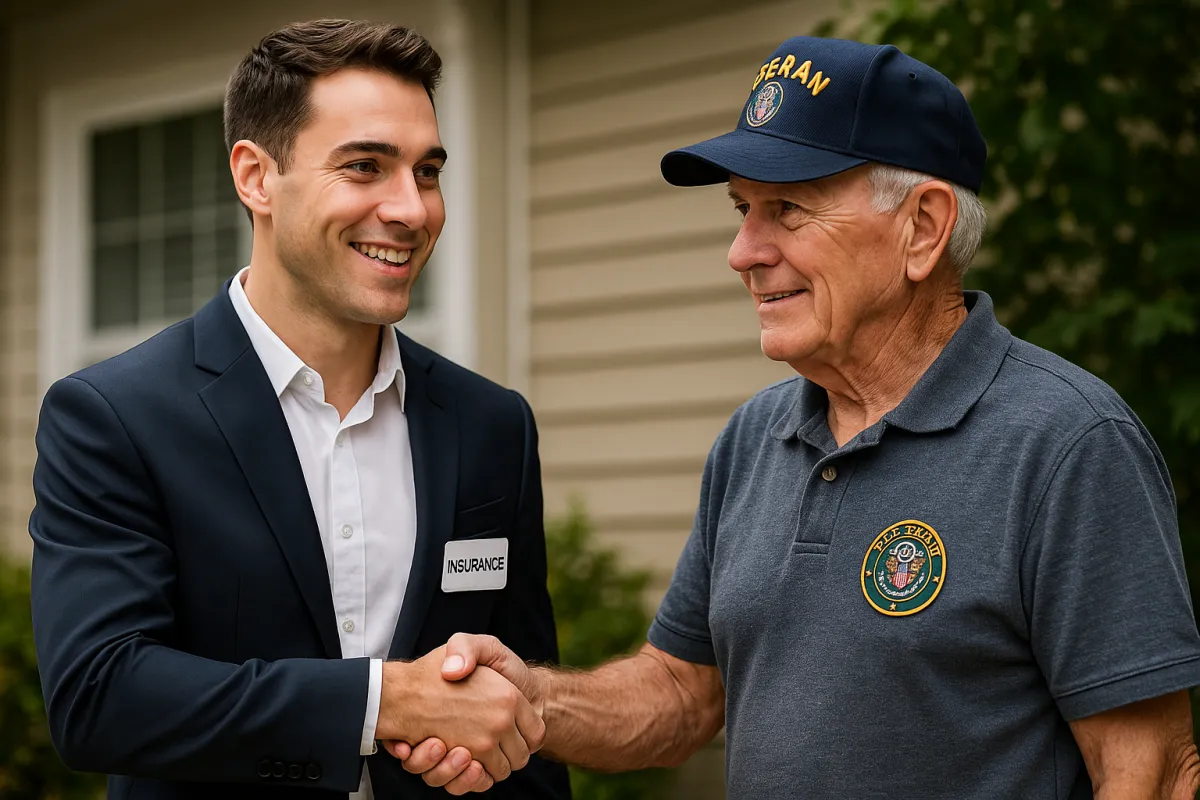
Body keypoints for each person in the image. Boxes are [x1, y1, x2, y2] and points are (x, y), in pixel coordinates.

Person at [387, 35, 1200, 798]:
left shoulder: (1067, 443)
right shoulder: (754, 438)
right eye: (742, 209)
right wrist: (531, 703)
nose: (742, 251)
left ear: (923, 228)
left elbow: (1153, 771)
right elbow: (682, 695)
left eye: (788, 210)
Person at [28, 18, 569, 800]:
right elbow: (100, 696)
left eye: (427, 171)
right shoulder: (113, 416)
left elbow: (516, 714)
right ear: (255, 177)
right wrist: (382, 702)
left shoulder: (493, 425)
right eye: (365, 167)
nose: (412, 210)